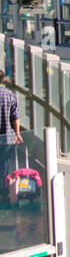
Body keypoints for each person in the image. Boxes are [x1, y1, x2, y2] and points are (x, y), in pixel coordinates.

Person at [0, 75, 19, 206]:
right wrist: (18, 133)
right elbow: (15, 116)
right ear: (3, 80)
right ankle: (4, 192)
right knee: (4, 165)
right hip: (7, 137)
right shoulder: (10, 94)